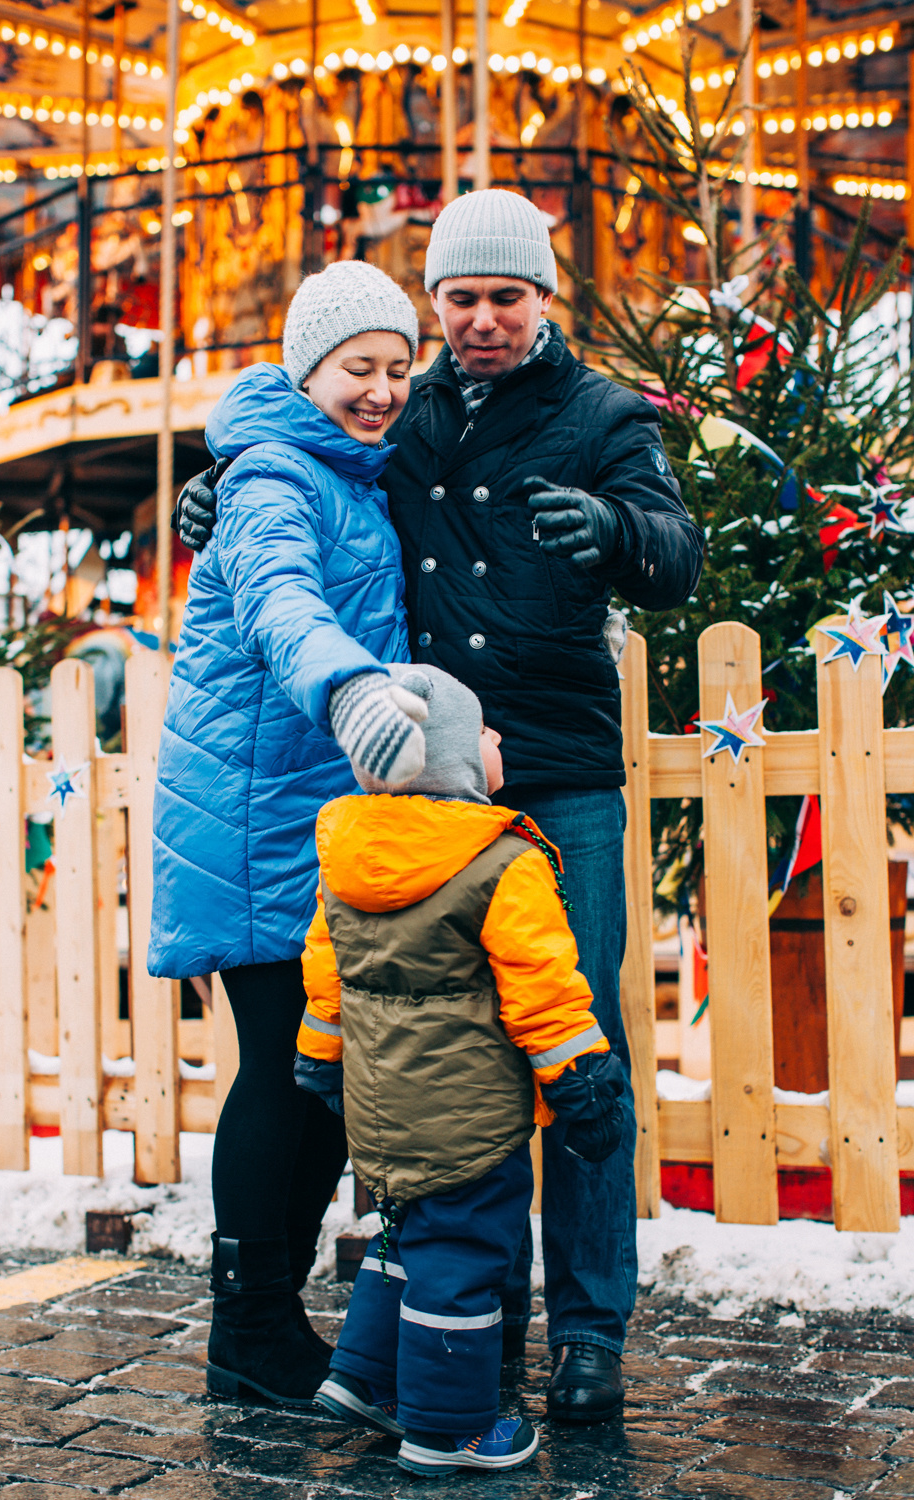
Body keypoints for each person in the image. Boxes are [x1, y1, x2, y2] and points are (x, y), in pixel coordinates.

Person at [175, 189, 704, 1423]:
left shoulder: (601, 415)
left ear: (543, 300)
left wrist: (618, 528)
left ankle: (586, 1327)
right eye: (456, 300)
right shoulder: (402, 418)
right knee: (431, 1048)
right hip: (421, 780)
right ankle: (460, 1311)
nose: (478, 321)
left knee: (579, 1047)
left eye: (502, 300)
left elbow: (679, 554)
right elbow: (306, 477)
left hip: (554, 778)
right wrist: (213, 496)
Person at [148, 259, 429, 1407]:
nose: (379, 392)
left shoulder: (343, 473)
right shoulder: (274, 476)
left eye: (397, 371)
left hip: (313, 812)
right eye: (357, 369)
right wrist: (351, 689)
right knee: (285, 1070)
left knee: (319, 1073)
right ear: (306, 370)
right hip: (262, 812)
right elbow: (279, 603)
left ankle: (263, 1322)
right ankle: (248, 1329)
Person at [294, 663, 626, 1476]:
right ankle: (450, 1428)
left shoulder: (348, 858)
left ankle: (365, 1375)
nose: (498, 739)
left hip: (378, 1108)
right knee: (464, 1251)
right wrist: (580, 1083)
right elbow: (544, 988)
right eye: (482, 731)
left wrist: (317, 1059)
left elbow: (324, 976)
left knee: (402, 1237)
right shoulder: (501, 863)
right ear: (442, 757)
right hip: (468, 1116)